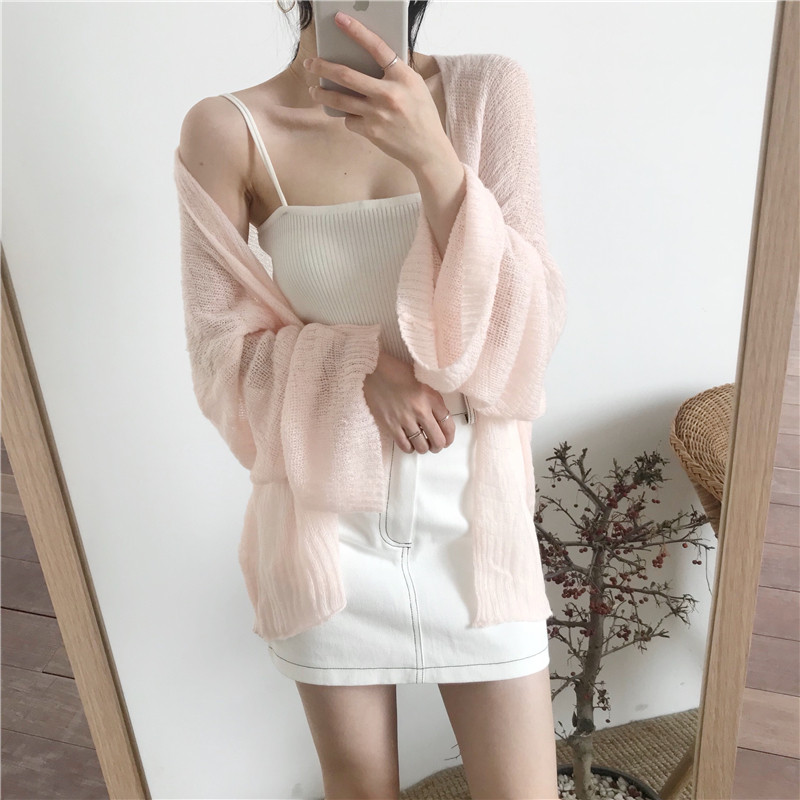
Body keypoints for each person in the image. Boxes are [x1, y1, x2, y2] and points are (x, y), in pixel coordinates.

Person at [177, 1, 561, 797]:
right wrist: (361, 365)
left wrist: (434, 158)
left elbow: (529, 332)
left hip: (476, 517)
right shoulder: (229, 129)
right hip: (324, 524)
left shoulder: (488, 93)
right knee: (358, 785)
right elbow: (218, 358)